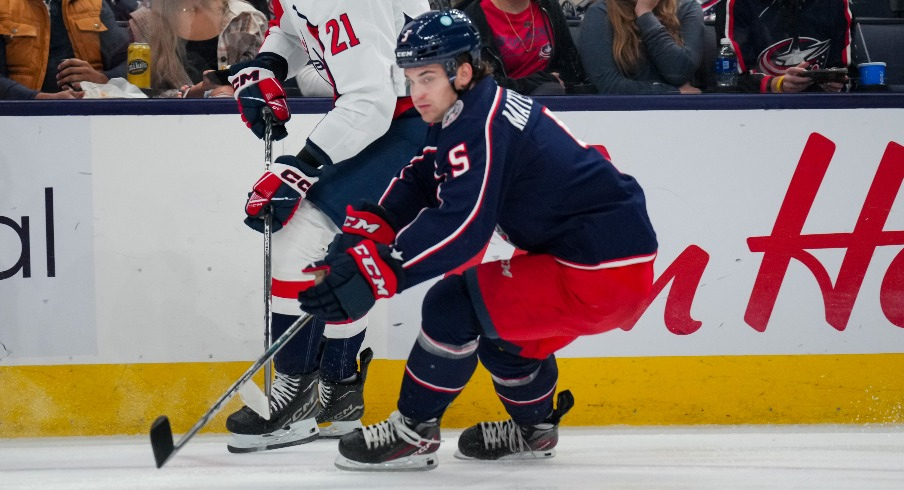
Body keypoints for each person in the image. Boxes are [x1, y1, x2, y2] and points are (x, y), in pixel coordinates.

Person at [297, 9, 658, 471]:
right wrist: (371, 231)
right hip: (605, 261)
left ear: (462, 71)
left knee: (453, 306)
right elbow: (425, 175)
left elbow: (463, 228)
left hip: (597, 270)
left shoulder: (480, 124)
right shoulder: (467, 107)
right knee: (503, 338)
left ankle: (413, 432)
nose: (416, 92)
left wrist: (378, 271)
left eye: (427, 77)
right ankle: (535, 431)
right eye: (409, 78)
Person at [220, 0, 430, 453]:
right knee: (343, 251)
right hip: (408, 114)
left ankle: (294, 395)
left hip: (416, 121)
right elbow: (296, 26)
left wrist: (302, 168)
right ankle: (339, 389)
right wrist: (270, 62)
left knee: (299, 233)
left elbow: (371, 101)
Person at [128, 0, 267, 98]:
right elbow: (140, 96)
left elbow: (259, 86)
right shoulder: (144, 23)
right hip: (164, 127)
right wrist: (191, 93)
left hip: (233, 126)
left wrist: (226, 91)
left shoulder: (246, 19)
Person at [0, 0, 129, 100]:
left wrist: (103, 78)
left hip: (90, 115)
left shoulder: (95, 5)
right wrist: (37, 98)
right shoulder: (4, 6)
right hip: (19, 119)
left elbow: (131, 64)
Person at [714, 0, 851, 93]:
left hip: (824, 107)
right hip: (757, 110)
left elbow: (849, 73)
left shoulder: (836, 3)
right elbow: (731, 80)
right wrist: (777, 84)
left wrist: (835, 81)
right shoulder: (737, 4)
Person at [458, 0, 588, 95]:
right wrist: (541, 80)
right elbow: (484, 85)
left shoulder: (549, 7)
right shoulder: (473, 18)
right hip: (501, 106)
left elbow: (571, 68)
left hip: (552, 101)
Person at [578, 0, 705, 94]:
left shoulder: (687, 8)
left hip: (683, 116)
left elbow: (678, 72)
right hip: (624, 116)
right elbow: (607, 85)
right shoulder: (600, 12)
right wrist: (672, 92)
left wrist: (645, 14)